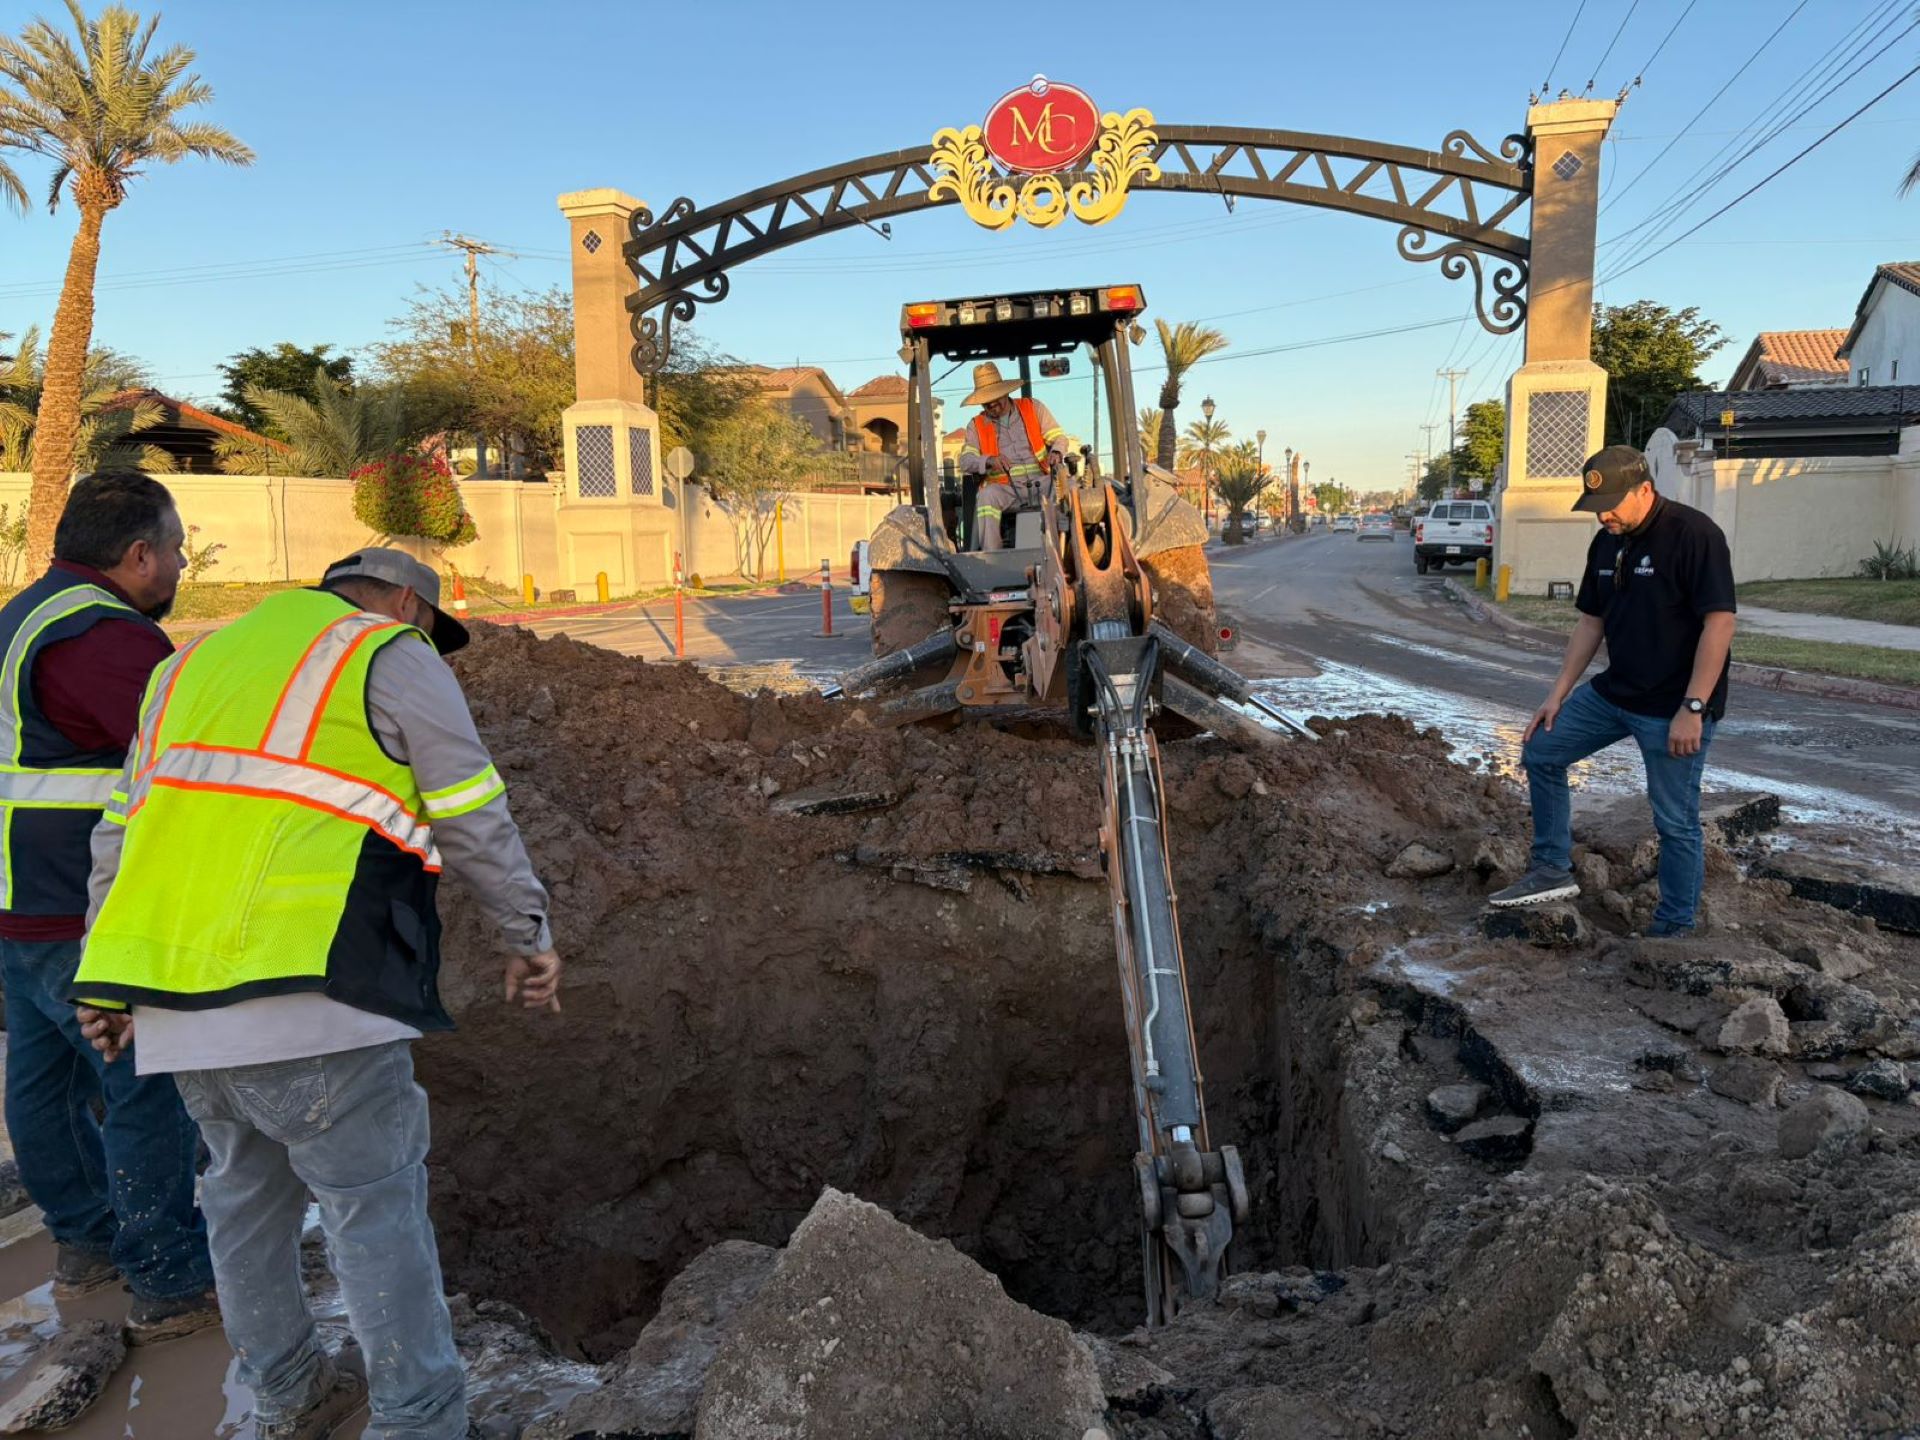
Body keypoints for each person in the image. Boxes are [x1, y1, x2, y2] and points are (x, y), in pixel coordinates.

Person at [73, 548, 561, 1440]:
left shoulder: (188, 662)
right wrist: (527, 934)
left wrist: (100, 981)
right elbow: (469, 805)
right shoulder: (384, 650)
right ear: (407, 603)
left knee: (242, 1201)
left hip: (179, 1005)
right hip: (317, 992)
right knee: (373, 1210)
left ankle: (290, 1398)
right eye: (426, 627)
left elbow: (123, 827)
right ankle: (419, 1422)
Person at [0, 471, 217, 1341]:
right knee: (141, 1089)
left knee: (41, 1083)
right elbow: (186, 764)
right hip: (78, 908)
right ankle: (167, 1283)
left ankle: (85, 1249)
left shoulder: (23, 615)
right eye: (173, 549)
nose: (177, 565)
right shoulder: (106, 638)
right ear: (138, 554)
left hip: (16, 898)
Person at [1489, 445, 1737, 936]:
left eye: (1615, 505)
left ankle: (1673, 928)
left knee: (1675, 821)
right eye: (1598, 507)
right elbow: (1591, 621)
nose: (1605, 515)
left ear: (1645, 489)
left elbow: (1720, 624)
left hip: (1673, 707)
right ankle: (1550, 870)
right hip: (1614, 694)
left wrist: (1694, 706)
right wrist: (1557, 693)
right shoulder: (1606, 542)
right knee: (1543, 750)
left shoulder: (1694, 535)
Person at [958, 361, 1068, 551]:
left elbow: (1059, 437)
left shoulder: (1034, 408)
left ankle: (1070, 550)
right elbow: (966, 462)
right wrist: (989, 461)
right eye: (987, 403)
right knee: (985, 497)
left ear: (1005, 392)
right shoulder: (976, 426)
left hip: (1043, 483)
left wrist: (1057, 452)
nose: (993, 406)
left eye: (995, 399)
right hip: (1006, 490)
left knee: (1072, 488)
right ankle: (992, 558)